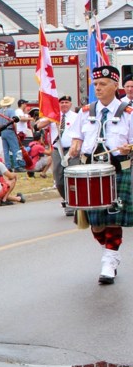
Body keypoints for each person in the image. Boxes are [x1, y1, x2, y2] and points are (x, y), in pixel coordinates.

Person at [66, 65, 133, 285]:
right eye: (95, 84)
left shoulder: (128, 113)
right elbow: (75, 136)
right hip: (90, 171)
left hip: (117, 170)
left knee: (113, 218)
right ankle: (109, 251)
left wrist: (129, 148)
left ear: (116, 86)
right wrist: (75, 145)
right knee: (95, 222)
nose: (98, 88)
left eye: (103, 84)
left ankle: (109, 260)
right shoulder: (85, 112)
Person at [38, 95, 79, 216]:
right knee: (58, 178)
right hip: (57, 150)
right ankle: (66, 199)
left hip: (72, 150)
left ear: (70, 104)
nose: (64, 105)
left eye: (66, 102)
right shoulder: (53, 116)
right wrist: (50, 119)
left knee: (72, 176)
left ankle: (73, 202)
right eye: (62, 103)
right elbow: (37, 126)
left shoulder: (76, 117)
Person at [0, 96, 23, 171]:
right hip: (10, 130)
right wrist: (16, 131)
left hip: (3, 131)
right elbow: (14, 122)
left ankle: (8, 166)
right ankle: (17, 165)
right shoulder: (11, 111)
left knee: (5, 150)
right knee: (15, 148)